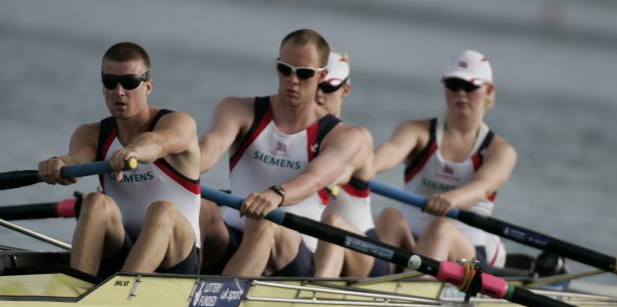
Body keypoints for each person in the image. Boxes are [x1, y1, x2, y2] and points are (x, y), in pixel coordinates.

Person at [199, 29, 363, 277]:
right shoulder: (238, 109)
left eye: (304, 73)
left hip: (293, 253)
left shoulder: (344, 136)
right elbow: (208, 151)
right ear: (277, 66)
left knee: (264, 221)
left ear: (322, 76)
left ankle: (218, 300)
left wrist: (276, 194)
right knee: (201, 204)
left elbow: (314, 180)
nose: (293, 79)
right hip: (233, 236)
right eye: (285, 69)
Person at [38, 42, 202, 277]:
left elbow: (157, 144)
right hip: (121, 247)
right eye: (110, 82)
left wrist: (134, 151)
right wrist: (58, 164)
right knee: (95, 201)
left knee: (162, 210)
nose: (119, 91)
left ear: (148, 86)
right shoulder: (91, 134)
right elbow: (75, 160)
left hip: (177, 257)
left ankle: (119, 293)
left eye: (130, 82)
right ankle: (75, 287)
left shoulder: (179, 123)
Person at [372, 50, 517, 270]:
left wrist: (452, 199)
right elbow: (389, 152)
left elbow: (481, 187)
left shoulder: (500, 151)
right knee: (389, 216)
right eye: (453, 84)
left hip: (468, 256)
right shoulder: (416, 131)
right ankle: (372, 284)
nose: (461, 93)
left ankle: (412, 291)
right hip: (412, 243)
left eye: (469, 87)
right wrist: (361, 168)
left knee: (440, 228)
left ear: (488, 91)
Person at [312, 52, 389, 278]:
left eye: (328, 87)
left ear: (345, 90)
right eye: (315, 85)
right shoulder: (294, 138)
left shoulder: (359, 138)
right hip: (314, 243)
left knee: (333, 222)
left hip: (365, 253)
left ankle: (313, 301)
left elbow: (338, 173)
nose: (318, 93)